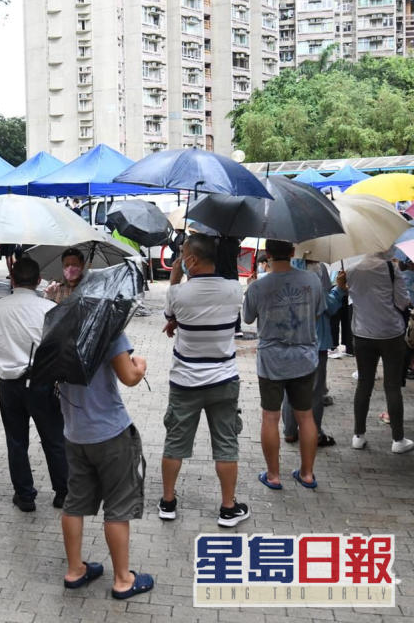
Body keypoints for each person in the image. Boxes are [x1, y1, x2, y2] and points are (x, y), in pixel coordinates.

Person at [57, 318, 153, 597]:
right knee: (118, 506)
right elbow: (129, 377)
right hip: (110, 433)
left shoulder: (58, 328)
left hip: (74, 432)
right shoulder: (107, 328)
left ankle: (75, 570)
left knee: (74, 502)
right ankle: (123, 579)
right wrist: (141, 365)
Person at [159, 235, 249, 526]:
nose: (181, 260)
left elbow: (173, 315)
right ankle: (227, 508)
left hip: (185, 381)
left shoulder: (177, 293)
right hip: (224, 380)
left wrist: (174, 279)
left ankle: (168, 502)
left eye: (183, 255)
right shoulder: (235, 289)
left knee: (175, 442)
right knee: (226, 444)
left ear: (193, 261)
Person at [0, 258, 68, 512]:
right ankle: (63, 492)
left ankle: (25, 495)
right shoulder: (49, 308)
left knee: (17, 440)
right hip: (42, 383)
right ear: (38, 281)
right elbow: (60, 346)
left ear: (12, 278)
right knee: (53, 439)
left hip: (10, 384)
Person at [242, 240, 324, 490]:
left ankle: (273, 475)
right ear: (292, 252)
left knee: (270, 416)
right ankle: (307, 474)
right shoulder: (312, 281)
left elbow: (247, 318)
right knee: (305, 416)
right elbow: (318, 312)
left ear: (267, 253)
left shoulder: (258, 286)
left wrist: (251, 287)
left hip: (271, 362)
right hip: (304, 358)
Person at [343, 253, 414, 453]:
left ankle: (358, 435)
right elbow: (403, 301)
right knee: (392, 386)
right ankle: (398, 440)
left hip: (362, 333)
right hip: (391, 333)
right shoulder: (391, 269)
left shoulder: (352, 269)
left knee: (364, 383)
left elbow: (351, 298)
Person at [281, 259, 343, 448]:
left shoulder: (286, 267)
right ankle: (314, 433)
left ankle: (290, 431)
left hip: (290, 339)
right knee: (315, 391)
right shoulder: (317, 270)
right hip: (315, 341)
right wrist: (339, 288)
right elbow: (328, 306)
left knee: (290, 388)